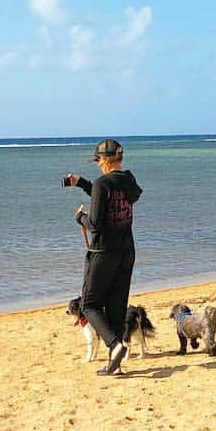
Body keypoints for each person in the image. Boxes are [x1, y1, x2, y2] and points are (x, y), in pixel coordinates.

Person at [65, 138, 142, 376]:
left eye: (99, 160)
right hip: (126, 252)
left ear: (107, 159)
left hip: (103, 254)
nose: (98, 164)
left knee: (89, 304)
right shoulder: (128, 180)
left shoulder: (102, 184)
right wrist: (82, 184)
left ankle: (114, 345)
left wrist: (80, 218)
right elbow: (111, 197)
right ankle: (115, 364)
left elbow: (96, 224)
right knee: (116, 307)